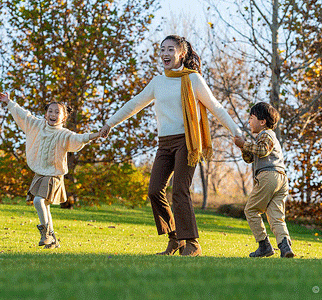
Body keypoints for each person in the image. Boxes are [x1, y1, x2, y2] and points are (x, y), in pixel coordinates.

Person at [100, 35, 242, 256]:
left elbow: (215, 106)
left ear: (181, 54)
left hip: (187, 141)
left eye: (170, 50)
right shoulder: (158, 82)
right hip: (164, 143)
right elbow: (135, 103)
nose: (165, 54)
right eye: (162, 49)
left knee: (179, 191)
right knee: (155, 190)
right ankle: (175, 238)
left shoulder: (193, 80)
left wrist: (236, 131)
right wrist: (109, 123)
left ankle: (192, 243)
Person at [0, 93, 100, 249]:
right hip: (40, 174)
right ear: (46, 114)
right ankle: (53, 240)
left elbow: (80, 138)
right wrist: (9, 102)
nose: (53, 114)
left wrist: (97, 135)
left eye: (57, 112)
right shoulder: (37, 125)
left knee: (38, 201)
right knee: (45, 206)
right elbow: (23, 115)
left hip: (54, 175)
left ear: (63, 118)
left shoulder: (64, 134)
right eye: (50, 111)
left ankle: (45, 234)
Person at [233, 102, 294, 258]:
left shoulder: (265, 134)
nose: (248, 121)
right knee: (276, 216)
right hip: (281, 178)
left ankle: (264, 245)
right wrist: (243, 147)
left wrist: (245, 144)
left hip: (268, 176)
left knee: (251, 210)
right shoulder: (266, 137)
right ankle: (285, 246)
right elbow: (249, 159)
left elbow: (261, 151)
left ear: (262, 121)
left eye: (251, 118)